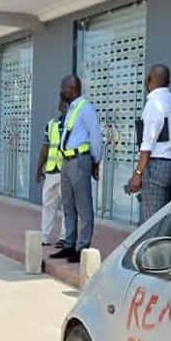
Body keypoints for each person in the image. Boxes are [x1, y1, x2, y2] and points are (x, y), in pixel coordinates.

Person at [50, 75, 104, 264]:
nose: (61, 91)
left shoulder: (85, 108)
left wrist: (96, 161)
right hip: (67, 161)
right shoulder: (71, 109)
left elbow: (96, 136)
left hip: (80, 160)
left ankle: (83, 247)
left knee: (83, 206)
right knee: (68, 205)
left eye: (63, 88)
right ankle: (69, 244)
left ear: (72, 88)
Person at [129, 64, 171, 223]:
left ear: (149, 80)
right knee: (164, 218)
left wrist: (137, 174)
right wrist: (169, 149)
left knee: (152, 223)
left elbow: (147, 145)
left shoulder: (154, 103)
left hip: (155, 166)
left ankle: (155, 248)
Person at [35, 99, 68, 247]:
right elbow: (45, 148)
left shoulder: (74, 125)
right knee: (48, 204)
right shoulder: (52, 125)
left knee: (67, 206)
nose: (62, 105)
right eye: (61, 103)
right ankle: (45, 236)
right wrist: (39, 169)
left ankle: (64, 238)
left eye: (65, 103)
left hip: (66, 172)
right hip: (51, 171)